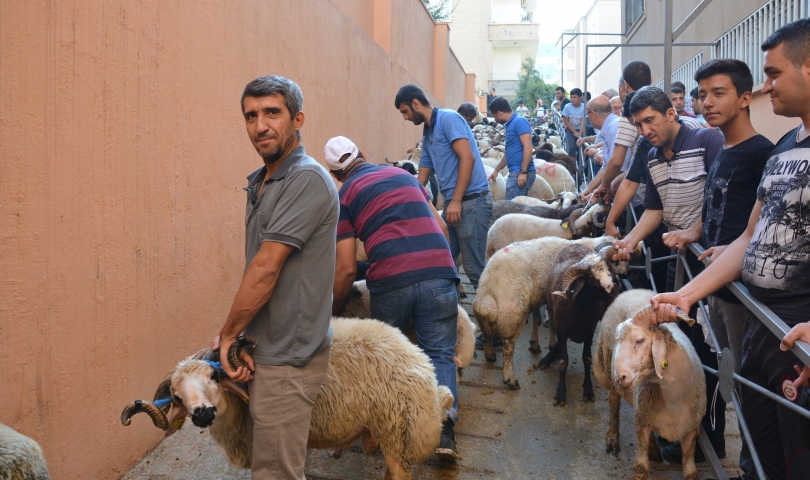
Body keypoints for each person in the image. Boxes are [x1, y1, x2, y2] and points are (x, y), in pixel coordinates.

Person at [652, 18, 810, 479]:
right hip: (763, 321)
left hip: (797, 333)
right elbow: (748, 238)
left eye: (774, 74)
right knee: (763, 449)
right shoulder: (784, 148)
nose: (766, 86)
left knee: (798, 456)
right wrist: (688, 295)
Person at [216, 75, 338, 480]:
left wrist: (229, 335)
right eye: (251, 115)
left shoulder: (305, 179)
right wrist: (245, 337)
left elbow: (266, 267)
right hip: (267, 349)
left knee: (276, 473)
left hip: (288, 357)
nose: (260, 125)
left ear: (297, 119)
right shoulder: (262, 181)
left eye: (272, 112)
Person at [655, 59, 774, 469]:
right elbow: (717, 202)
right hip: (714, 285)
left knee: (743, 380)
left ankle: (750, 464)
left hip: (744, 294)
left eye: (718, 93)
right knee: (712, 365)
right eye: (701, 94)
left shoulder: (763, 154)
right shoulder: (723, 148)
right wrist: (695, 230)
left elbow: (763, 222)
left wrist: (735, 247)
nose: (707, 102)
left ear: (745, 98)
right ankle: (709, 440)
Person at [326, 136, 461, 461]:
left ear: (336, 175)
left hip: (391, 280)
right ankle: (444, 433)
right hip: (440, 273)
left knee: (388, 357)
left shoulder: (345, 195)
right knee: (440, 353)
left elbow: (345, 269)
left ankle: (392, 430)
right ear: (363, 153)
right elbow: (442, 227)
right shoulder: (405, 176)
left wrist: (329, 312)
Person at [610, 86, 727, 462]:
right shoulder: (651, 153)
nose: (644, 130)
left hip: (711, 260)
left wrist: (695, 231)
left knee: (708, 350)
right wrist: (628, 240)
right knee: (677, 348)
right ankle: (677, 427)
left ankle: (712, 436)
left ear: (671, 114)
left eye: (650, 121)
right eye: (638, 124)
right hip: (677, 259)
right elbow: (654, 210)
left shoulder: (707, 140)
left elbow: (716, 197)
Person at [395, 84, 493, 290]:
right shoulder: (428, 131)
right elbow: (423, 171)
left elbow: (467, 157)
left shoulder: (448, 119)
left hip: (472, 202)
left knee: (475, 270)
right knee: (443, 261)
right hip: (453, 204)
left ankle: (492, 318)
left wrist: (456, 200)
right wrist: (405, 199)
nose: (405, 118)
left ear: (416, 104)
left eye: (405, 111)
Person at [488, 97, 536, 200]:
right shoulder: (510, 124)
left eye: (494, 116)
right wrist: (497, 170)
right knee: (516, 208)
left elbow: (528, 147)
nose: (494, 119)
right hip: (516, 172)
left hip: (519, 173)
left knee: (513, 209)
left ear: (499, 113)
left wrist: (523, 172)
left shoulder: (519, 121)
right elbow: (510, 152)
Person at [561, 88, 586, 156]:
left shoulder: (584, 107)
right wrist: (574, 132)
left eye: (574, 97)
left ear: (580, 98)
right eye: (571, 97)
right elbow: (566, 121)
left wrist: (580, 133)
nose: (572, 99)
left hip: (581, 129)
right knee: (572, 147)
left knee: (582, 146)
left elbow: (583, 120)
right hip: (570, 129)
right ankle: (571, 162)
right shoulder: (567, 107)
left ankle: (580, 163)